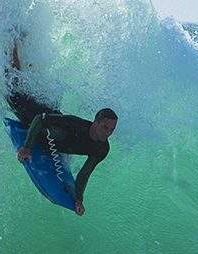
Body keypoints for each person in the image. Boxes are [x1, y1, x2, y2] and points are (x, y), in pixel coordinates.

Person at [6, 36, 118, 216]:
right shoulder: (76, 124)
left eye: (112, 130)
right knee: (12, 87)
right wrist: (26, 148)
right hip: (37, 116)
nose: (108, 133)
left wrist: (79, 198)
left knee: (30, 87)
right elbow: (39, 120)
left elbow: (84, 174)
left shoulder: (102, 148)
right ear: (96, 122)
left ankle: (24, 45)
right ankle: (13, 43)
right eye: (105, 127)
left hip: (52, 118)